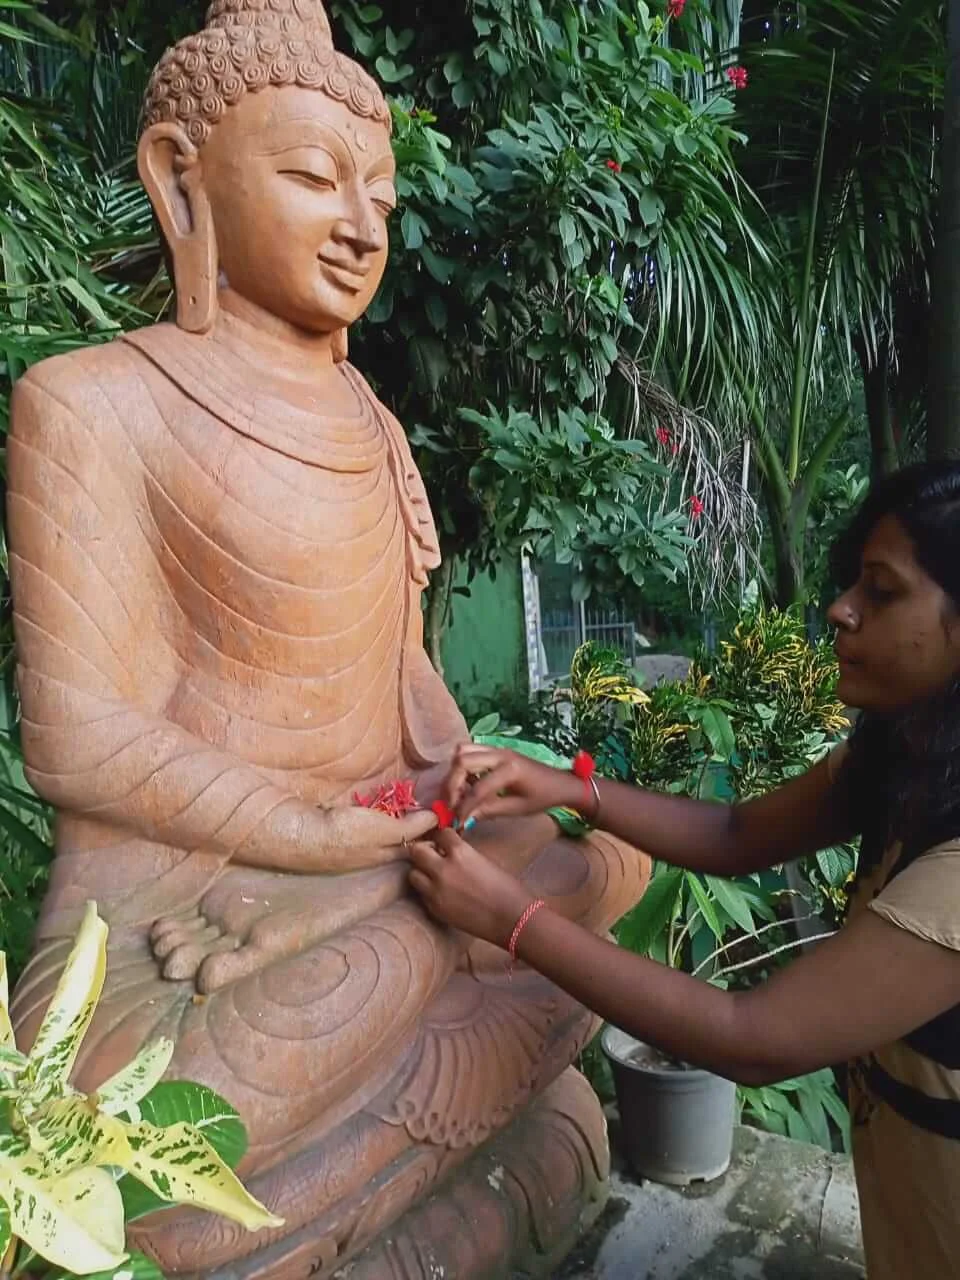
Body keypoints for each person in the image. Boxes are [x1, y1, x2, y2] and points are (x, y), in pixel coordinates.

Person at [409, 461, 960, 1279]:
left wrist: (513, 918)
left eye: (881, 592)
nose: (840, 610)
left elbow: (755, 1038)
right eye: (852, 584)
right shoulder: (910, 760)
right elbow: (737, 831)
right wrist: (572, 789)